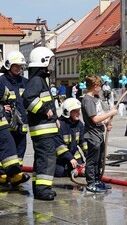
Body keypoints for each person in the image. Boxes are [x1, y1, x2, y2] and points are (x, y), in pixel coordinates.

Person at [22, 47, 59, 201]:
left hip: (44, 129)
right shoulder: (37, 81)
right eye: (49, 61)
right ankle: (43, 189)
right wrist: (44, 111)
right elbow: (28, 99)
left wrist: (54, 117)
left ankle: (39, 187)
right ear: (43, 61)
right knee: (47, 158)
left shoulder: (39, 79)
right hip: (42, 130)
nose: (51, 65)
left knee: (41, 158)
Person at [81, 75, 117, 193]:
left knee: (100, 159)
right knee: (92, 160)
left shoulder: (96, 98)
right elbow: (95, 119)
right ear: (95, 86)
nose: (101, 88)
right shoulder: (87, 100)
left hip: (99, 133)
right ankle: (91, 183)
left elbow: (100, 114)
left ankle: (97, 180)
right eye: (100, 86)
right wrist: (110, 113)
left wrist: (107, 122)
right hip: (92, 134)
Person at [0, 51, 30, 186]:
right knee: (7, 149)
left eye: (20, 66)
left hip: (21, 123)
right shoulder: (1, 81)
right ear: (8, 65)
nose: (18, 68)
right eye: (15, 65)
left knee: (19, 150)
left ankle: (15, 176)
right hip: (6, 122)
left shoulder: (25, 82)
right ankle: (3, 174)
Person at [54, 98, 87, 177]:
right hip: (60, 157)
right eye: (75, 111)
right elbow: (59, 146)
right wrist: (70, 158)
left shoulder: (79, 124)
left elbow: (83, 142)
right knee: (59, 172)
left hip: (74, 155)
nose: (78, 113)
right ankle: (70, 171)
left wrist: (89, 156)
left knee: (84, 170)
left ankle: (75, 170)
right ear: (67, 112)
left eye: (79, 111)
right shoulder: (60, 125)